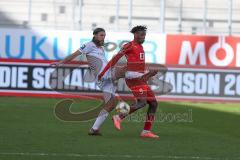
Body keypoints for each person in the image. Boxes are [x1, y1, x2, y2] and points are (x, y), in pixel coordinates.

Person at [51, 28, 125, 136]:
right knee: (125, 69)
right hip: (103, 75)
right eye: (101, 35)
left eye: (104, 35)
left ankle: (94, 129)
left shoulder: (100, 48)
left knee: (111, 104)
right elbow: (74, 54)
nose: (103, 37)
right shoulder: (89, 45)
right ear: (94, 35)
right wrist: (61, 63)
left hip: (105, 77)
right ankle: (142, 84)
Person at [98, 25, 160, 139]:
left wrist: (149, 73)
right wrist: (103, 72)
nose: (143, 37)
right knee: (142, 103)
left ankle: (146, 132)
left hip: (139, 78)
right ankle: (119, 117)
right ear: (135, 34)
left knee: (154, 104)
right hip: (133, 79)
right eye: (142, 35)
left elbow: (137, 67)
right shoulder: (129, 45)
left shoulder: (140, 47)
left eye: (145, 35)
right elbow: (115, 58)